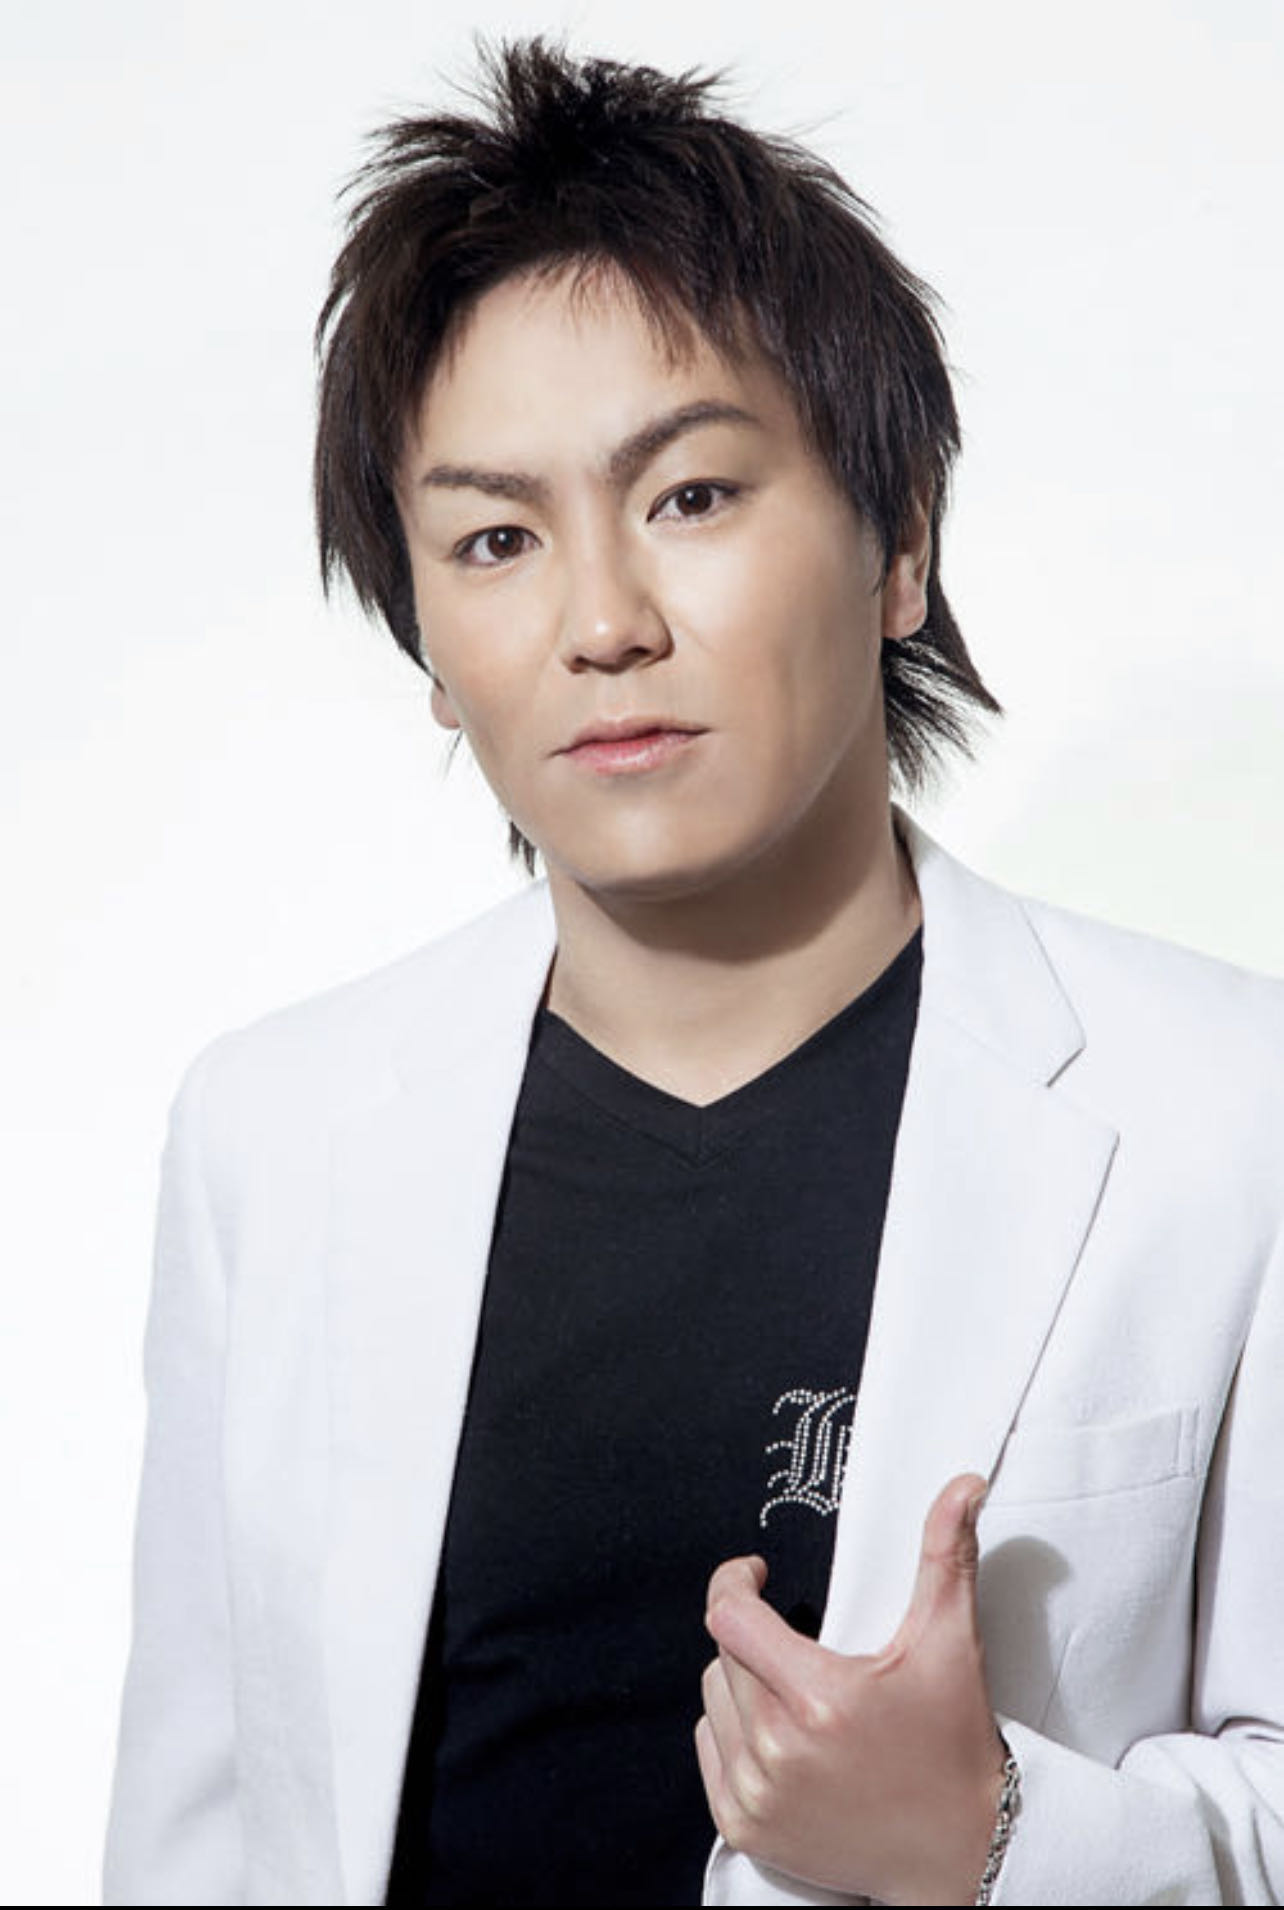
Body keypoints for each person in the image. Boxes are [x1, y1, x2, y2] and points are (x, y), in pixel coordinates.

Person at [103, 36, 1284, 1909]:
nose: (601, 622)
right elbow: (206, 1829)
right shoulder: (273, 1132)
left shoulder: (1229, 1112)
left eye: (694, 497)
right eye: (496, 539)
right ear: (428, 642)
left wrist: (990, 1835)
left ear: (901, 541)